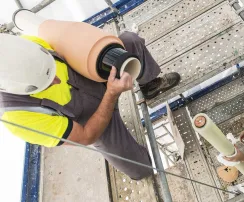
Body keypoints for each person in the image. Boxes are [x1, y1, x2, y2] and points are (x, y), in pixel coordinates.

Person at [0, 32, 180, 180]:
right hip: (97, 123)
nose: (56, 79)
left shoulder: (24, 47)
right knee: (140, 169)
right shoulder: (18, 116)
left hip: (97, 75)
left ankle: (149, 85)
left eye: (51, 69)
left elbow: (71, 47)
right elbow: (85, 136)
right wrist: (111, 94)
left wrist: (102, 57)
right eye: (46, 83)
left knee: (130, 41)